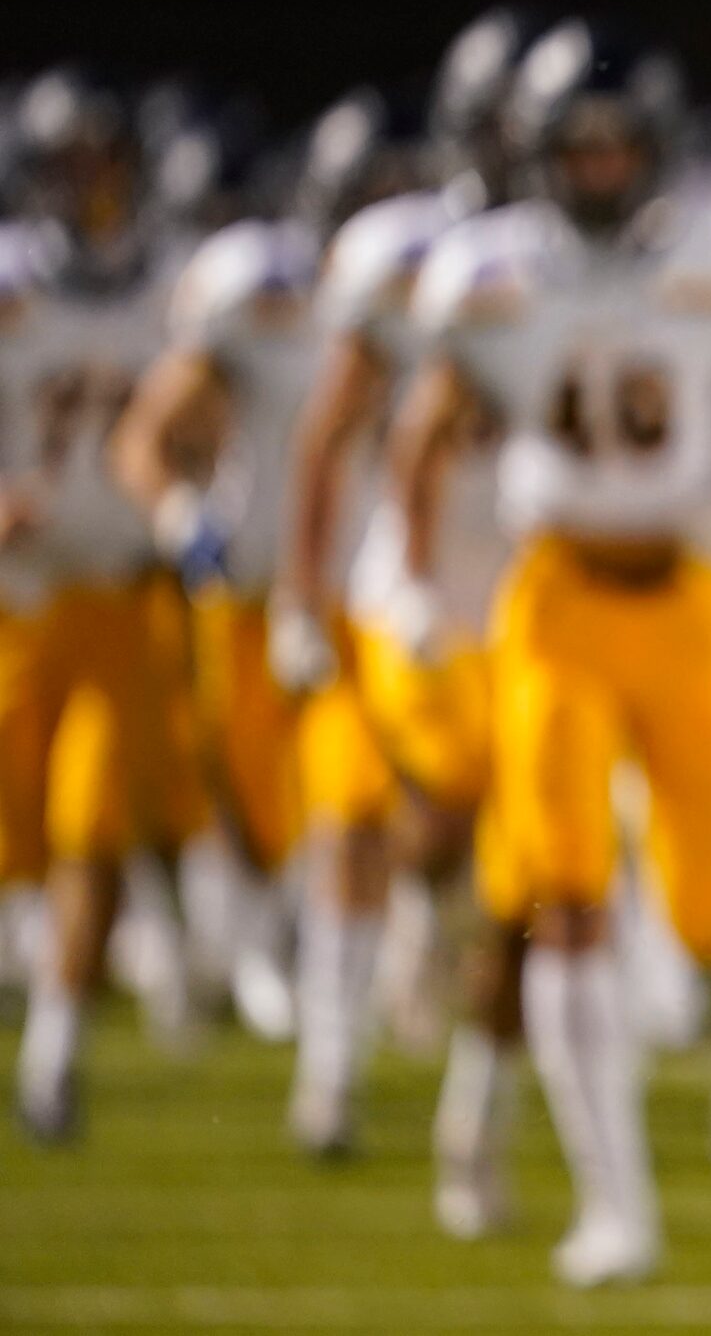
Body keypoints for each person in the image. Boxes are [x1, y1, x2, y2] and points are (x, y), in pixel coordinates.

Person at [386, 20, 711, 1285]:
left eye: (613, 142)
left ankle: (568, 1046)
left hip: (684, 601)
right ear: (533, 154)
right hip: (559, 606)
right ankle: (614, 1202)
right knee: (565, 892)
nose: (593, 167)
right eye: (572, 146)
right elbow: (422, 439)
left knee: (707, 913)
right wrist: (412, 580)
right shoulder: (491, 272)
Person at [108, 95, 409, 1159]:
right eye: (378, 188)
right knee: (246, 819)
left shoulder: (430, 285)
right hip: (244, 600)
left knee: (357, 818)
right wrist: (180, 513)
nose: (395, 207)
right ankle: (255, 957)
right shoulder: (261, 290)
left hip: (362, 605)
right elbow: (149, 434)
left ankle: (330, 1074)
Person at [285, 11, 537, 1231]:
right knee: (401, 823)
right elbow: (335, 431)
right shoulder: (404, 251)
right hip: (416, 594)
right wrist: (298, 590)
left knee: (524, 876)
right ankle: (331, 1074)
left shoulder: (588, 252)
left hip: (538, 608)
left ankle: (470, 1125)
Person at [0, 71, 203, 1142]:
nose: (89, 188)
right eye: (67, 167)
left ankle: (53, 1059)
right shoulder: (11, 287)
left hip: (121, 605)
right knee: (20, 848)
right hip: (15, 609)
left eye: (100, 162)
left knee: (92, 838)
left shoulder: (175, 288)